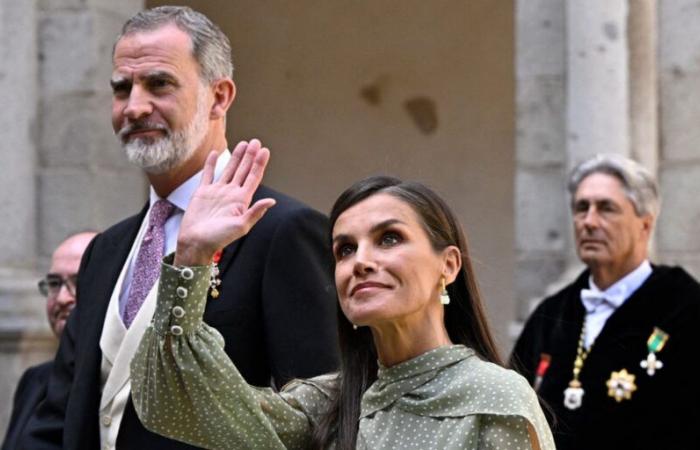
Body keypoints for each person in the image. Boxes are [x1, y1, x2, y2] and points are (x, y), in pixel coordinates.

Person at [20, 6, 338, 450]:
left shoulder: (282, 231)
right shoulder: (106, 250)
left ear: (220, 97)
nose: (134, 107)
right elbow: (60, 412)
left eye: (159, 84)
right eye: (121, 88)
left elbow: (320, 419)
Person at [130, 144, 555, 450]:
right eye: (345, 249)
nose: (361, 261)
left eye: (389, 239)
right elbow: (173, 402)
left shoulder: (495, 398)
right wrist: (192, 256)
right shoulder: (325, 405)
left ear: (449, 265)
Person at [510, 154, 700, 450]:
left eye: (606, 208)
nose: (589, 221)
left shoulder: (686, 307)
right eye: (581, 208)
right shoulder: (551, 315)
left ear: (645, 225)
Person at [2, 231, 96, 450]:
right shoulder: (35, 380)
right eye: (54, 283)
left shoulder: (121, 383)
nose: (63, 298)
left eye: (79, 281)